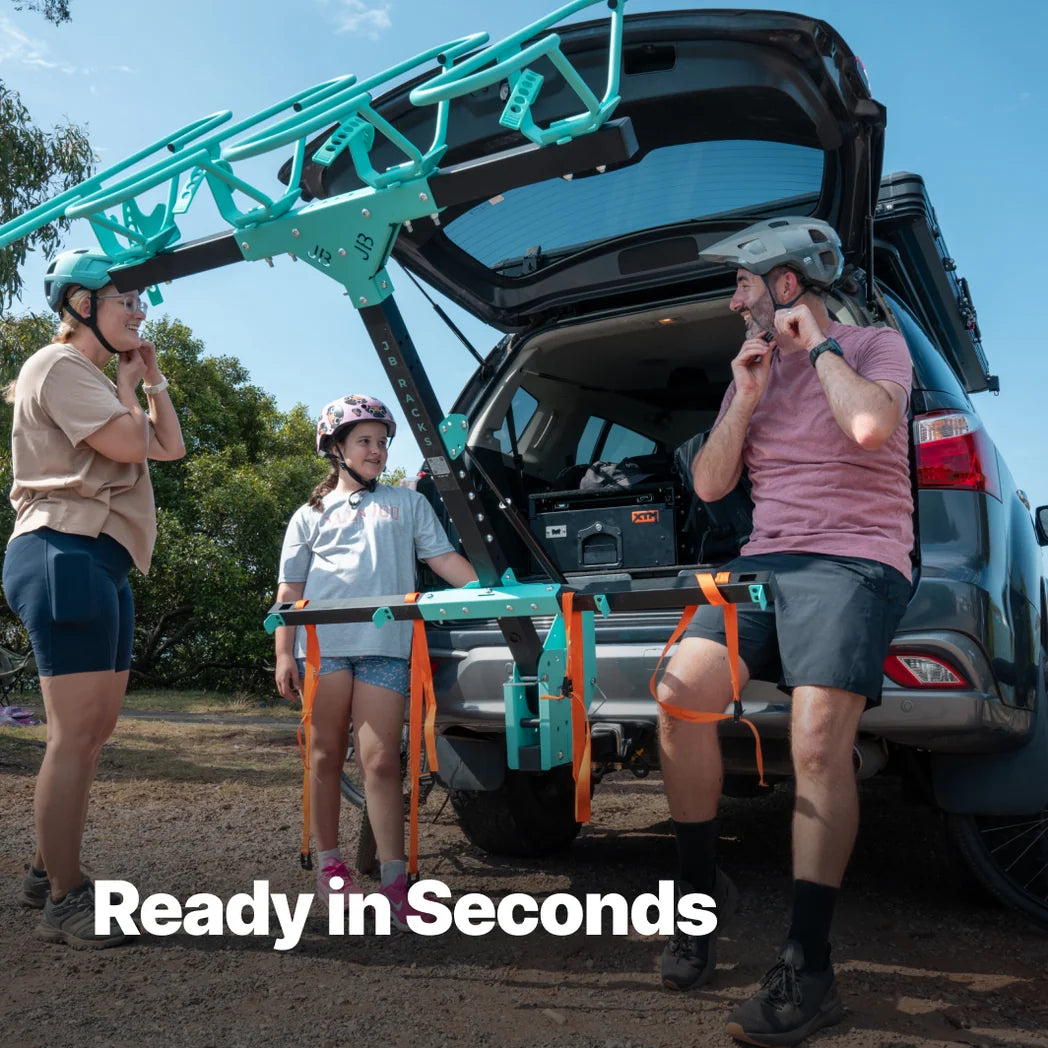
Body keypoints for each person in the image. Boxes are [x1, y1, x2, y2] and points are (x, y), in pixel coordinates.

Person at [655, 218, 913, 1045]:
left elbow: (871, 429)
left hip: (855, 561)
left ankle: (809, 967)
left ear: (788, 284)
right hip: (766, 566)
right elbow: (707, 483)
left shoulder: (875, 348)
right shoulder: (749, 372)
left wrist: (821, 353)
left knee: (812, 744)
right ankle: (699, 901)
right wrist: (749, 398)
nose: (734, 300)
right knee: (678, 693)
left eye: (743, 284)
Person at [4, 248, 186, 947]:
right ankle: (65, 901)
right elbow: (128, 441)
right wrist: (127, 386)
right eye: (126, 300)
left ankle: (44, 869)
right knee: (74, 735)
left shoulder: (97, 377)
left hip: (100, 558)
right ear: (81, 305)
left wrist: (151, 381)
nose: (140, 312)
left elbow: (166, 445)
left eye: (142, 301)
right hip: (63, 550)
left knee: (91, 733)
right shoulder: (58, 367)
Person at [274, 394, 476, 927]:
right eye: (365, 441)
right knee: (323, 757)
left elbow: (444, 560)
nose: (377, 451)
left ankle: (394, 883)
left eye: (383, 442)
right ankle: (330, 867)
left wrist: (490, 590)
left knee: (382, 762)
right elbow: (290, 590)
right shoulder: (309, 515)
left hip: (387, 647)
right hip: (323, 648)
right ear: (336, 448)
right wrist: (282, 654)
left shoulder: (408, 504)